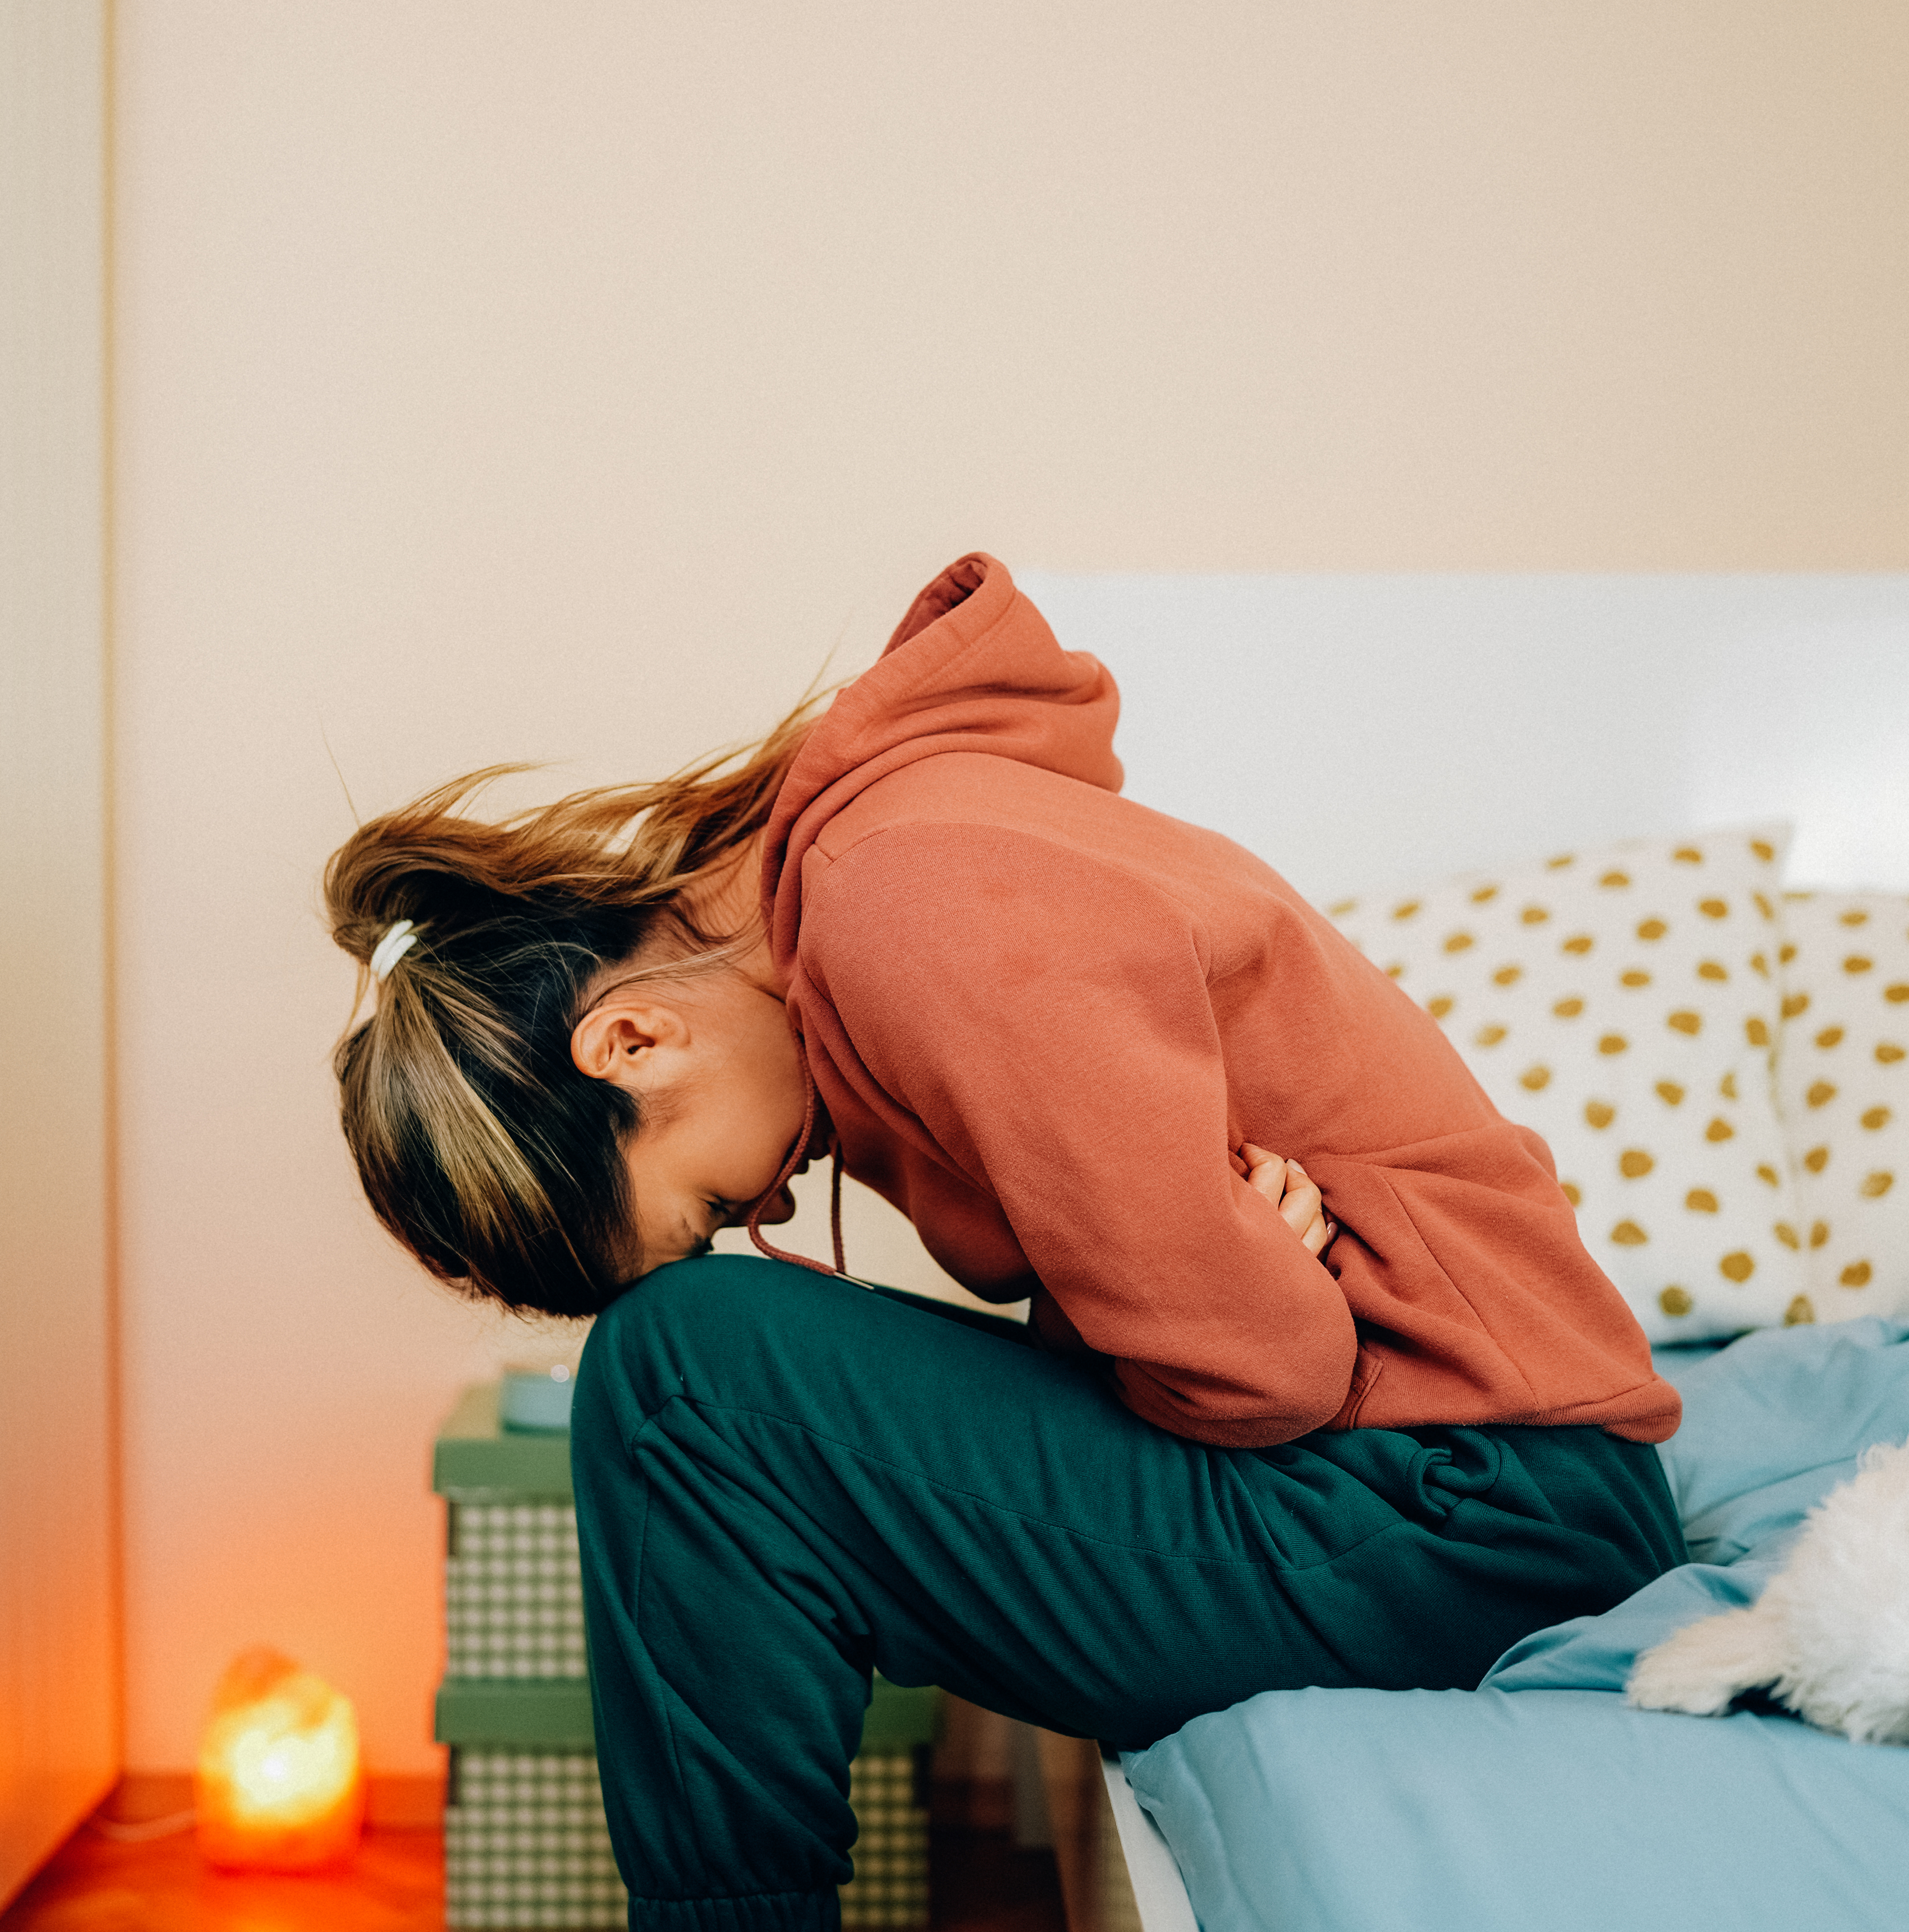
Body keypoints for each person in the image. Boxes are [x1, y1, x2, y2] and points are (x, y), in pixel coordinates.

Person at [327, 554, 1683, 1932]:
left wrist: (1231, 1291)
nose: (768, 1214)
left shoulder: (909, 907)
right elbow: (1219, 1336)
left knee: (679, 1369)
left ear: (632, 1042)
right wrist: (1206, 1278)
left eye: (707, 1213)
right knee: (692, 1373)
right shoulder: (886, 868)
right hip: (1435, 1483)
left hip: (1472, 1515)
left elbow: (1269, 1367)